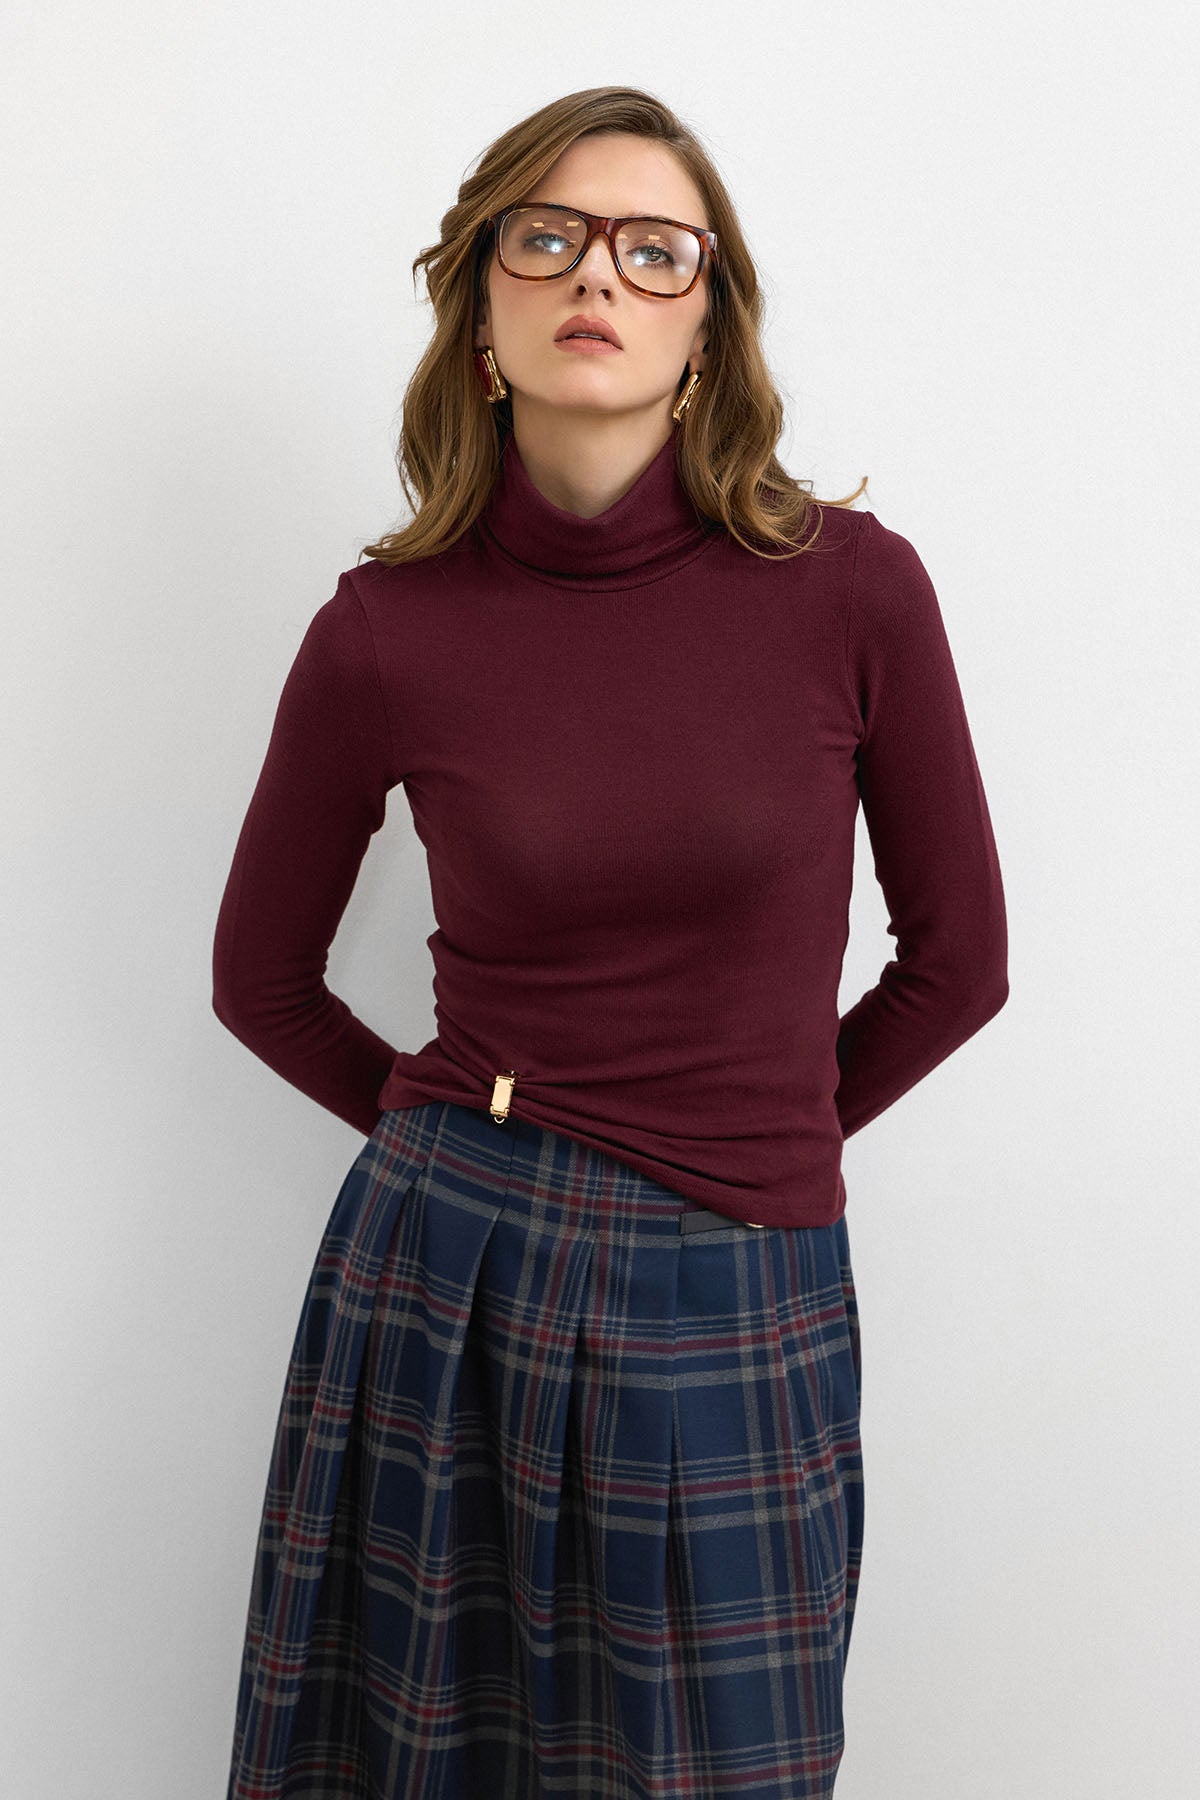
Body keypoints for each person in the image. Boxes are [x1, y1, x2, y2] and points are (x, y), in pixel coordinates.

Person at [212, 85, 1008, 1800]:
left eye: (657, 251)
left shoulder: (854, 591)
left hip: (737, 1275)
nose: (600, 276)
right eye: (550, 237)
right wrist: (459, 1145)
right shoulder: (385, 629)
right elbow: (258, 982)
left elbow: (961, 964)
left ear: (708, 327)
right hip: (446, 1272)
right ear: (481, 315)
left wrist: (742, 1135)